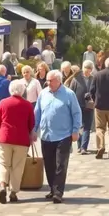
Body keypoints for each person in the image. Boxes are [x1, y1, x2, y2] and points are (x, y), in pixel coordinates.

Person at [34, 69, 82, 203]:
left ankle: (58, 192)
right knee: (49, 165)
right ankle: (52, 188)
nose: (48, 83)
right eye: (47, 80)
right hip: (46, 135)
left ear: (59, 81)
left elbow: (76, 113)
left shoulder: (68, 94)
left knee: (61, 164)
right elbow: (37, 113)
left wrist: (75, 130)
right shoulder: (43, 94)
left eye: (51, 80)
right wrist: (33, 129)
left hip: (63, 135)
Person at [0, 79, 35, 204]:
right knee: (17, 166)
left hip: (4, 137)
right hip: (21, 139)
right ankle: (13, 192)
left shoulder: (3, 103)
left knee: (3, 163)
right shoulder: (27, 105)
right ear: (23, 91)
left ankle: (2, 185)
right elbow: (31, 123)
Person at [69, 61, 97, 154]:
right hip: (78, 105)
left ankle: (84, 147)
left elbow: (97, 91)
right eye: (86, 69)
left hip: (89, 106)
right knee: (78, 125)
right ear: (83, 68)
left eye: (89, 70)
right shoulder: (76, 79)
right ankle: (79, 145)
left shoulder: (93, 79)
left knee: (87, 127)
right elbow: (71, 92)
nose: (87, 71)